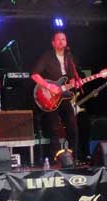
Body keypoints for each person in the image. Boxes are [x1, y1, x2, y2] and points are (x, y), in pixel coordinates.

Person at [31, 31, 81, 163]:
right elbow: (35, 75)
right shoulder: (47, 56)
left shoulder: (69, 58)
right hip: (50, 97)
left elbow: (71, 78)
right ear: (53, 43)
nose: (61, 41)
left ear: (66, 42)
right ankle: (57, 157)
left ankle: (73, 157)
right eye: (58, 40)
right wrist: (48, 86)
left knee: (72, 126)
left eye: (63, 39)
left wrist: (73, 83)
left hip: (64, 97)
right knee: (53, 127)